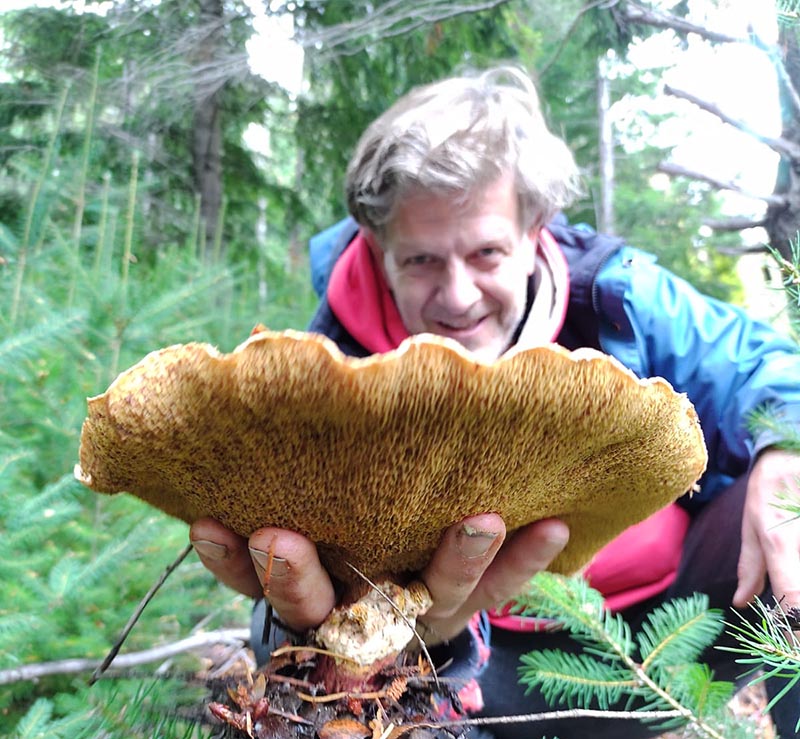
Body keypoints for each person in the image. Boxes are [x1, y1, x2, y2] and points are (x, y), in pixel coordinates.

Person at [188, 66, 800, 738]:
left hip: (677, 629)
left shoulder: (616, 297)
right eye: (421, 260)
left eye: (485, 252)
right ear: (377, 243)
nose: (456, 296)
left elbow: (766, 366)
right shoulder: (328, 362)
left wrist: (786, 443)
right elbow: (293, 574)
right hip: (479, 677)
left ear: (535, 225)